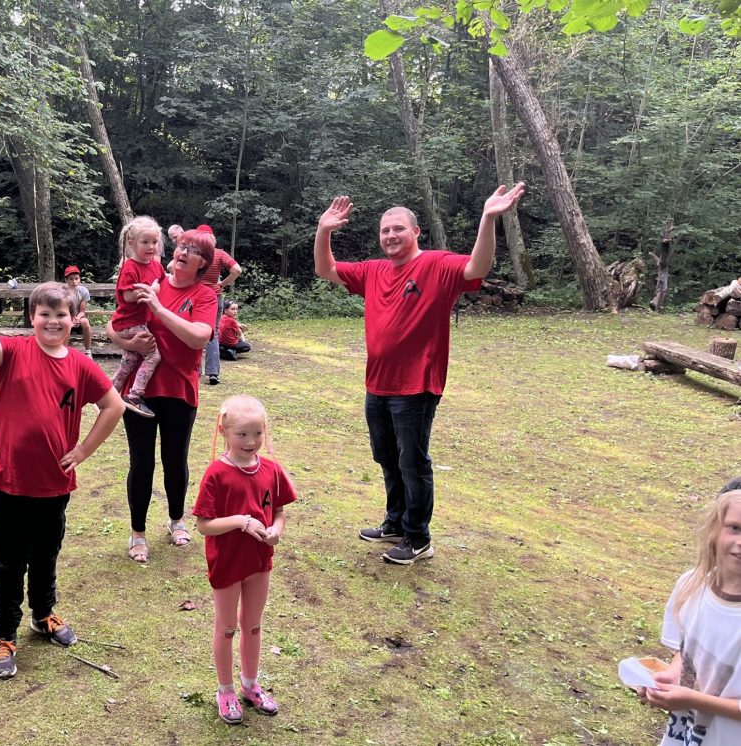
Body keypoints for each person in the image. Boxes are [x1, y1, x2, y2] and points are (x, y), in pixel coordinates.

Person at [312, 183, 526, 565]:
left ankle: (418, 538)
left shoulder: (436, 265)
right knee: (386, 456)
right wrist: (324, 229)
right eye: (385, 230)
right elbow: (325, 269)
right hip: (377, 383)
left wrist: (488, 218)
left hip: (416, 385)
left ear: (415, 232)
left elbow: (477, 267)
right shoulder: (373, 271)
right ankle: (395, 523)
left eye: (398, 228)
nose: (390, 235)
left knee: (412, 461)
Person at [0, 283, 125, 679]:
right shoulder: (12, 351)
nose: (53, 321)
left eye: (61, 314)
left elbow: (113, 405)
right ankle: (5, 635)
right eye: (44, 314)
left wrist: (83, 450)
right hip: (9, 482)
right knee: (8, 561)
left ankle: (43, 614)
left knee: (47, 554)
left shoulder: (80, 365)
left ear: (75, 319)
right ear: (32, 317)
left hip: (54, 484)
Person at [106, 227, 218, 563]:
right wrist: (127, 342)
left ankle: (176, 520)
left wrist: (157, 308)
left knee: (175, 460)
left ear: (203, 262)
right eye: (181, 246)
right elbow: (114, 323)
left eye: (192, 250)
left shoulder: (204, 295)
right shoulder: (153, 280)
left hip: (179, 390)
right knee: (141, 462)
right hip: (139, 393)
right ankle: (137, 533)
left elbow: (199, 337)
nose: (182, 252)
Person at [193, 395, 296, 724]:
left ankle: (250, 685)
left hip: (259, 561)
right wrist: (240, 521)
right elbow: (204, 525)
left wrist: (276, 530)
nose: (251, 442)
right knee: (226, 627)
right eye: (242, 434)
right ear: (223, 431)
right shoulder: (217, 474)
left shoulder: (271, 470)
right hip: (227, 563)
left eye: (257, 433)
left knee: (253, 624)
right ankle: (225, 690)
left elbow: (278, 512)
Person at [637, 484, 741, 745]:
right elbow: (686, 652)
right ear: (714, 528)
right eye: (735, 528)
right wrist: (670, 677)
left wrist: (692, 699)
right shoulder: (692, 586)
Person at [110, 216, 167, 418]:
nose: (151, 246)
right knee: (153, 356)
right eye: (145, 242)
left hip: (138, 322)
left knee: (130, 358)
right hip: (129, 322)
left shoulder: (156, 266)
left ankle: (108, 393)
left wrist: (157, 287)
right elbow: (127, 296)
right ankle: (134, 395)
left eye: (154, 242)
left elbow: (163, 281)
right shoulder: (130, 267)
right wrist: (149, 291)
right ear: (132, 243)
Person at [197, 225, 242, 386]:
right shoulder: (219, 253)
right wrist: (222, 284)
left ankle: (195, 370)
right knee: (213, 333)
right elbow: (237, 270)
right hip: (215, 296)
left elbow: (171, 267)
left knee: (194, 330)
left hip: (196, 295)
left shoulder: (195, 254)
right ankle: (213, 373)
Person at [64, 266, 94, 357]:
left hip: (78, 317)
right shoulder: (62, 292)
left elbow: (82, 311)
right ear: (66, 280)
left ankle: (88, 351)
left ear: (79, 279)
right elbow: (62, 310)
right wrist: (71, 319)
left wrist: (77, 318)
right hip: (66, 317)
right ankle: (64, 351)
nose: (74, 281)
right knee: (67, 323)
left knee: (85, 322)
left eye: (76, 278)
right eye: (71, 279)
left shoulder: (83, 291)